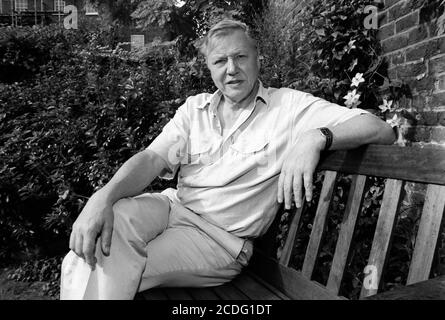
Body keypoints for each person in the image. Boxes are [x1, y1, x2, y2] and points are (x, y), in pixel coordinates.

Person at [60, 19, 396, 300]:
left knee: (95, 261)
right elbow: (151, 158)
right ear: (209, 68)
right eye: (220, 61)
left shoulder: (289, 108)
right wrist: (101, 197)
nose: (231, 69)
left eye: (240, 57)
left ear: (258, 59)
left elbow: (380, 128)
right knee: (110, 221)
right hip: (172, 207)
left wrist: (317, 137)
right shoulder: (195, 109)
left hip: (218, 241)